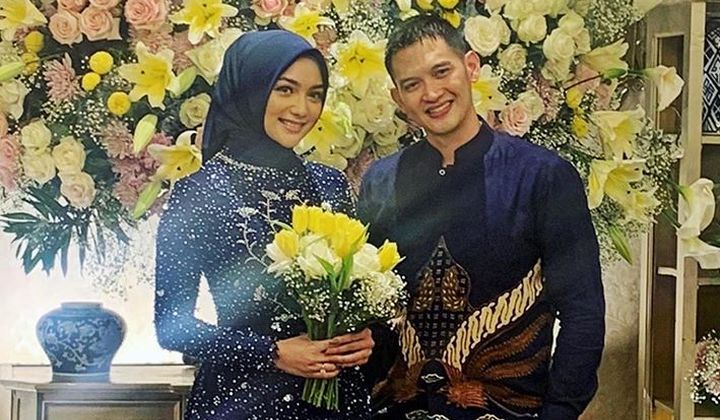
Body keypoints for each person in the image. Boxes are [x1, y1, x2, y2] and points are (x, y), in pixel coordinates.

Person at [358, 14, 605, 420]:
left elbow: (583, 311)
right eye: (412, 84)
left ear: (471, 67)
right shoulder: (381, 181)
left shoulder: (541, 176)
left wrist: (561, 410)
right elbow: (372, 310)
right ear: (398, 98)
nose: (431, 93)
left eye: (442, 72)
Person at [154, 30, 374, 420]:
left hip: (338, 400)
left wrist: (360, 337)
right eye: (285, 89)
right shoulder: (199, 193)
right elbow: (172, 326)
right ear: (249, 89)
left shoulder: (330, 183)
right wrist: (272, 353)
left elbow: (351, 296)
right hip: (242, 401)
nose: (302, 108)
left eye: (315, 94)